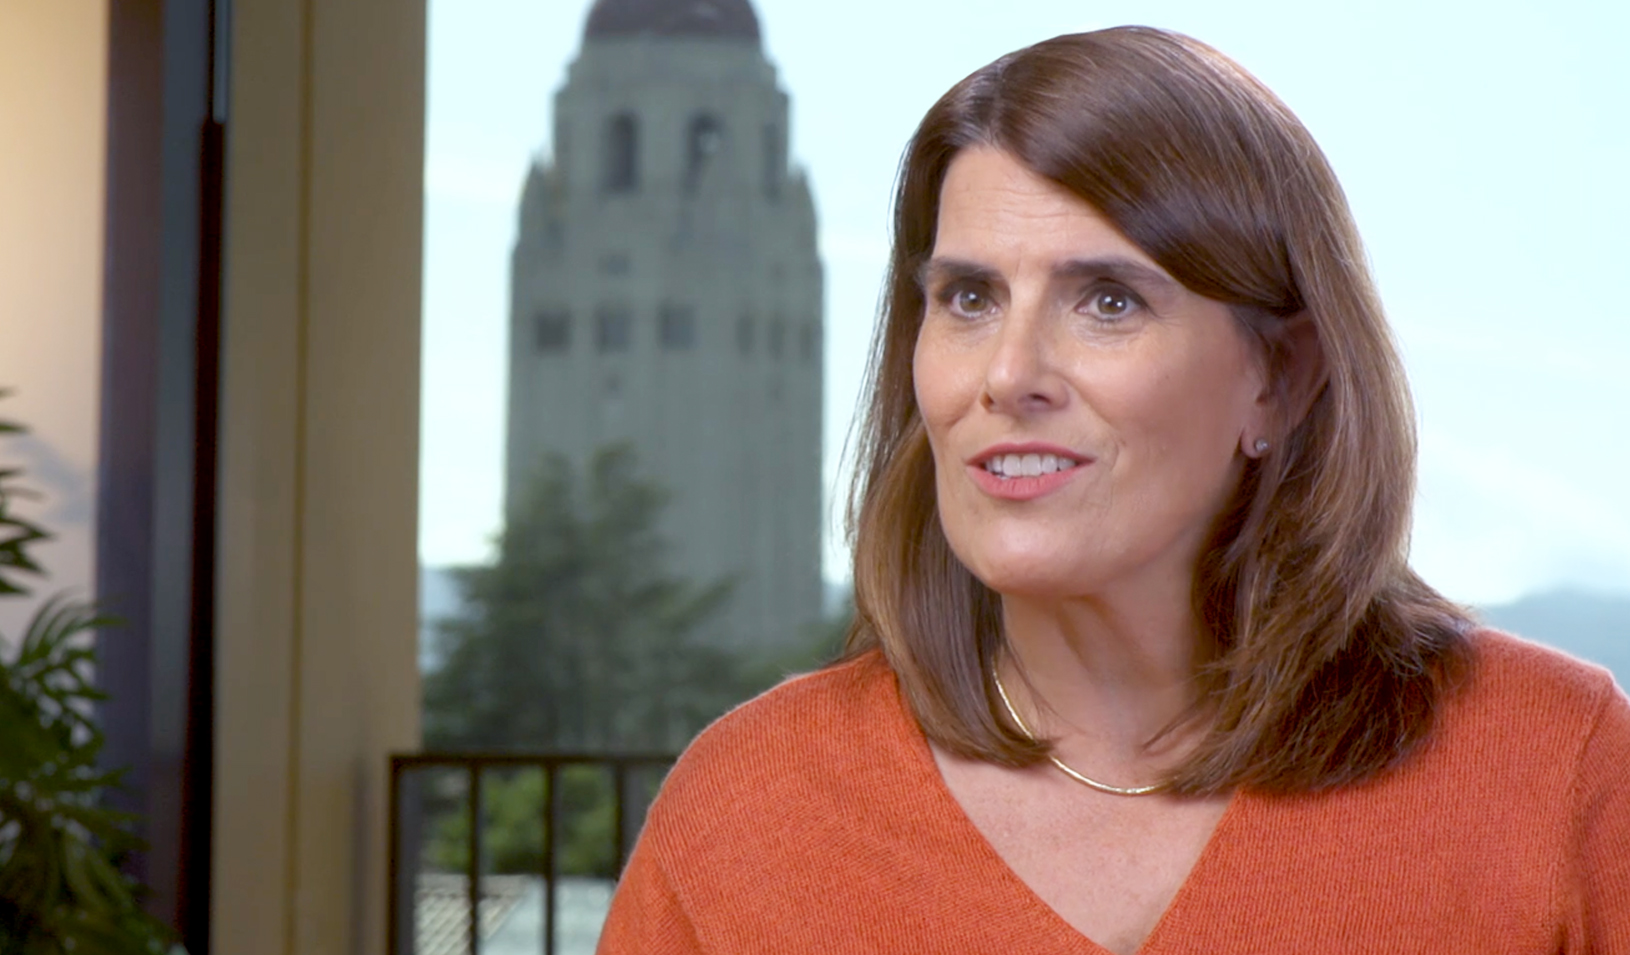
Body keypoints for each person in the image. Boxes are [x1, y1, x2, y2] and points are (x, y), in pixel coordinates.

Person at [596, 26, 1630, 954]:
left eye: (1106, 299)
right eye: (967, 296)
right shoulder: (748, 810)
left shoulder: (1555, 764)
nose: (1007, 373)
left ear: (1280, 375)